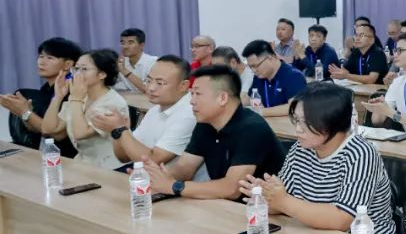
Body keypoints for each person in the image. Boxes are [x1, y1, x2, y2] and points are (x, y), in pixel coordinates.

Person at [239, 82, 395, 234]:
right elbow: (283, 203)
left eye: (307, 123)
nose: (298, 129)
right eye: (297, 120)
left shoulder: (360, 154)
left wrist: (283, 201)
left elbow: (342, 219)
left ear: (332, 122)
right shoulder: (300, 149)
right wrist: (267, 196)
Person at [142, 65, 284, 197]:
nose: (191, 101)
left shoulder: (252, 128)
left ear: (222, 98)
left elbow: (232, 189)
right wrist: (154, 177)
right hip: (221, 205)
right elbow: (184, 168)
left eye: (198, 94)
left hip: (260, 208)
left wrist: (174, 186)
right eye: (192, 94)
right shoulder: (206, 122)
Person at [95, 56, 203, 176]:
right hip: (144, 176)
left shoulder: (189, 114)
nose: (151, 88)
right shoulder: (155, 110)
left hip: (169, 182)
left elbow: (152, 160)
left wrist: (120, 129)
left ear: (183, 86)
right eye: (149, 80)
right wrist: (117, 131)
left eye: (160, 83)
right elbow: (123, 157)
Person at [39, 49, 129, 169]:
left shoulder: (112, 103)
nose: (77, 74)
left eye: (84, 69)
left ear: (102, 74)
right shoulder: (81, 96)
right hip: (83, 162)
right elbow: (48, 129)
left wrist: (76, 99)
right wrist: (58, 96)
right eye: (76, 68)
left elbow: (80, 134)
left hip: (111, 167)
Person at [1, 37, 81, 154]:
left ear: (68, 64)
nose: (41, 62)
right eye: (41, 56)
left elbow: (56, 134)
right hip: (46, 152)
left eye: (50, 58)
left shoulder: (74, 90)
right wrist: (23, 113)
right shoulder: (46, 88)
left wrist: (25, 112)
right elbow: (37, 129)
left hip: (68, 156)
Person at [242, 40, 308, 117]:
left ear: (270, 58)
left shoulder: (294, 76)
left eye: (256, 66)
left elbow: (295, 107)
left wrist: (262, 112)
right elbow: (249, 98)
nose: (254, 70)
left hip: (288, 123)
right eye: (250, 67)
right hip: (268, 121)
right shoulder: (259, 76)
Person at [113, 28, 157, 93]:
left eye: (130, 43)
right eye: (122, 43)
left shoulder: (154, 62)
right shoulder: (121, 62)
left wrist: (124, 71)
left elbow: (149, 89)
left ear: (141, 45)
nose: (125, 46)